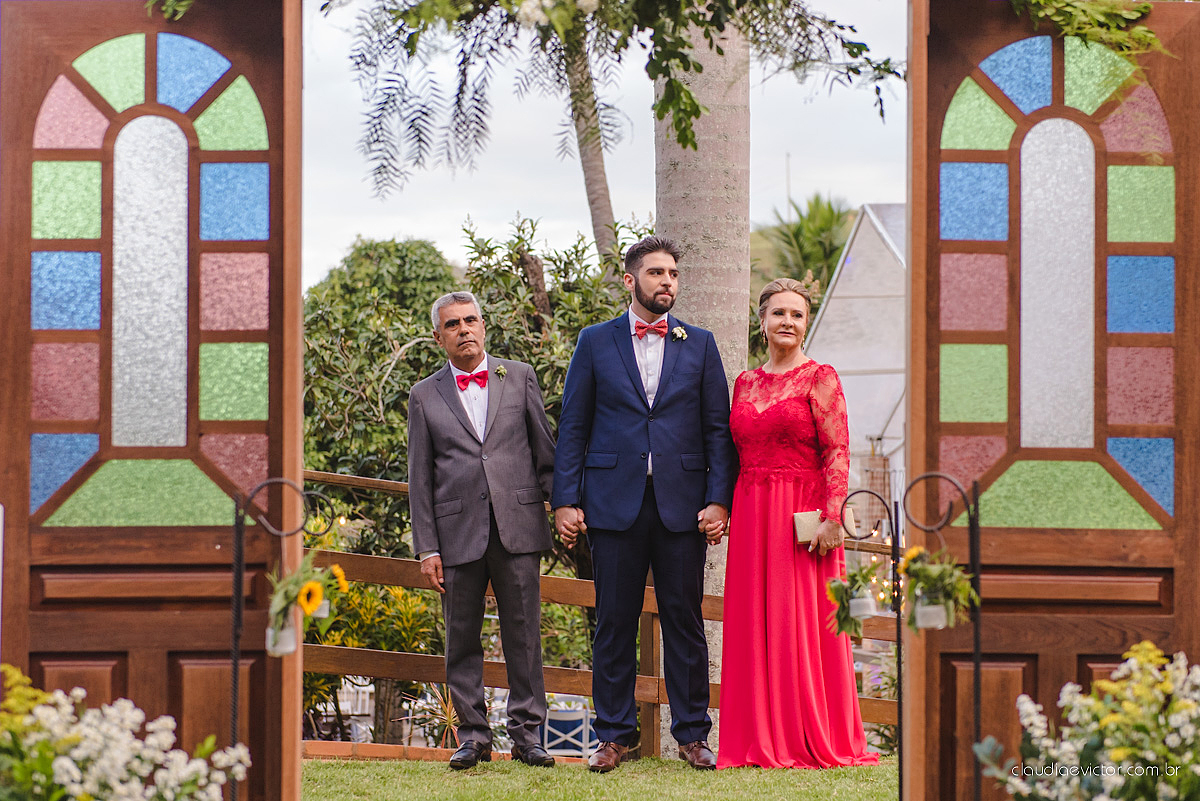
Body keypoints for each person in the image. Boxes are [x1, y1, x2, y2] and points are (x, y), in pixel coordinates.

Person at [552, 235, 737, 773]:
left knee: (685, 621)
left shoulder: (700, 344)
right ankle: (612, 736)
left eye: (673, 274)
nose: (667, 282)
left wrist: (718, 501)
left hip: (683, 507)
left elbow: (716, 433)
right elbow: (574, 427)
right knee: (613, 622)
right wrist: (565, 501)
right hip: (612, 504)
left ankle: (693, 735)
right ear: (631, 280)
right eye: (657, 273)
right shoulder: (594, 341)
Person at [716, 278, 878, 769]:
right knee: (753, 620)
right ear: (762, 321)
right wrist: (721, 506)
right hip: (751, 512)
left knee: (799, 620)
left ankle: (806, 732)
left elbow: (837, 450)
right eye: (779, 313)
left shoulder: (820, 376)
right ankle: (756, 735)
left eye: (798, 314)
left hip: (802, 516)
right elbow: (731, 453)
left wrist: (832, 517)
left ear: (806, 323)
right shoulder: (744, 383)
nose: (788, 321)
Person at [407, 290, 557, 770]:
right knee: (461, 637)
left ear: (484, 325)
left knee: (523, 634)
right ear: (439, 337)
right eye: (453, 324)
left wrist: (565, 505)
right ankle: (473, 736)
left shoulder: (519, 376)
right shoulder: (424, 395)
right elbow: (420, 478)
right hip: (455, 534)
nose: (464, 330)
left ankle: (528, 735)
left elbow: (545, 452)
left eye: (471, 320)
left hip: (518, 525)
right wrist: (426, 547)